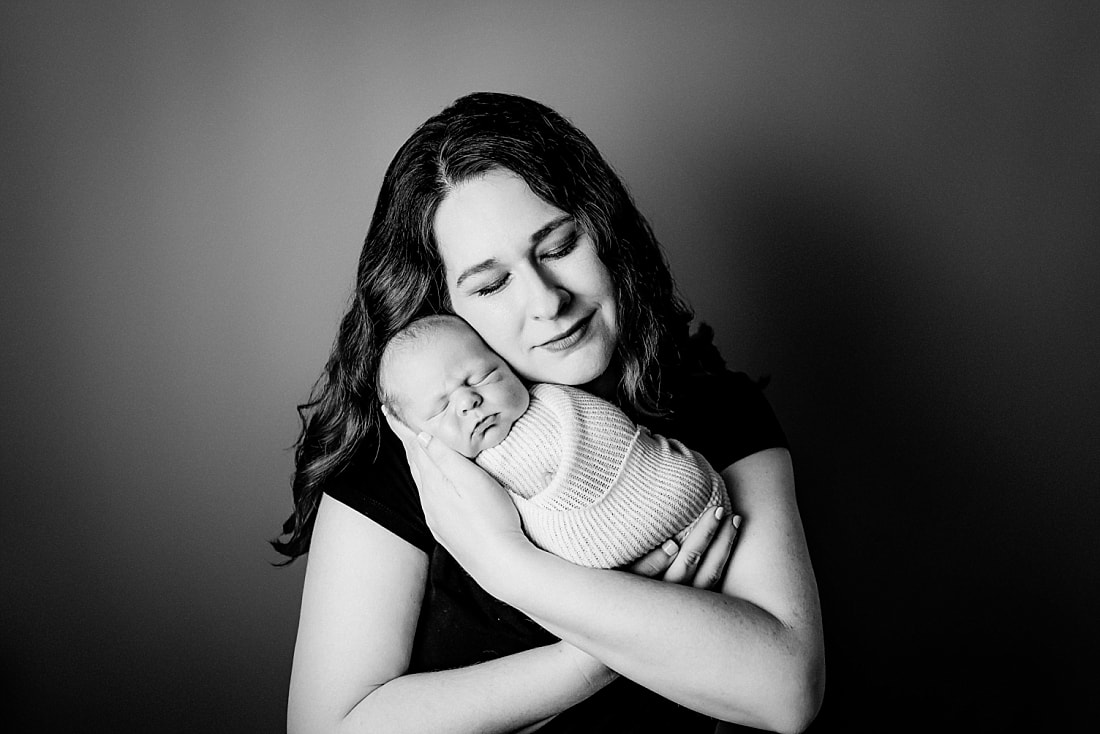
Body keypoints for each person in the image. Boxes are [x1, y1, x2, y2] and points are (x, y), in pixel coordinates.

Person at [274, 92, 824, 734]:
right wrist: (590, 661)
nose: (547, 300)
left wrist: (508, 565)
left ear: (605, 233)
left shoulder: (714, 408)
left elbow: (786, 689)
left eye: (559, 245)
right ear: (442, 307)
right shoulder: (399, 460)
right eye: (490, 284)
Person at [376, 313, 734, 569]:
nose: (468, 401)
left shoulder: (554, 400)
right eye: (440, 409)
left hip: (677, 488)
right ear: (415, 437)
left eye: (483, 376)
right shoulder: (460, 486)